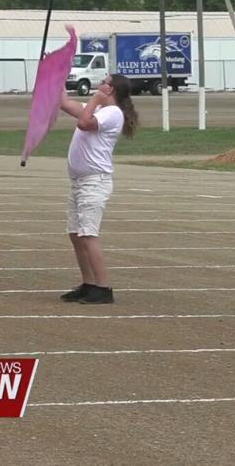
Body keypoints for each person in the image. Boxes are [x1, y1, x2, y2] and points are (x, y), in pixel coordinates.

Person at [59, 74, 138, 304]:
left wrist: (94, 99)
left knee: (88, 234)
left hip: (94, 181)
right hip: (80, 181)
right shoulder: (99, 109)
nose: (99, 84)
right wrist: (56, 76)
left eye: (104, 82)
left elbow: (84, 124)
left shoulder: (112, 112)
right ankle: (89, 283)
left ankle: (103, 288)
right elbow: (64, 103)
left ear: (111, 90)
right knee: (76, 233)